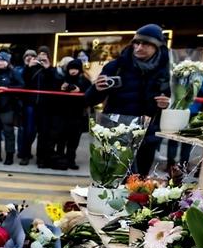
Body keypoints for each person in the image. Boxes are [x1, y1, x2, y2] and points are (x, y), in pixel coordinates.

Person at [85, 24, 171, 176]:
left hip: (147, 136)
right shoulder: (116, 66)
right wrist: (96, 89)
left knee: (139, 185)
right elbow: (89, 100)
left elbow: (177, 103)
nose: (139, 47)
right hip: (116, 134)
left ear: (157, 46)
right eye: (136, 43)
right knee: (111, 180)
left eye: (145, 44)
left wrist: (167, 104)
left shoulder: (167, 72)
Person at [50, 58, 90, 169]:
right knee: (61, 139)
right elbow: (55, 98)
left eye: (76, 69)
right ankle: (60, 160)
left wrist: (80, 91)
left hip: (77, 116)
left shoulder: (85, 82)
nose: (73, 71)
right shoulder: (62, 81)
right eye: (71, 69)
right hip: (63, 115)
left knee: (73, 140)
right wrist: (61, 90)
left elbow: (89, 98)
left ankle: (71, 160)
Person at [0, 51, 23, 165]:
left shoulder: (13, 73)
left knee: (8, 132)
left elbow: (21, 86)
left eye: (3, 60)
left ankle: (9, 156)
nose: (0, 63)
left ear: (7, 62)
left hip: (7, 108)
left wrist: (8, 88)